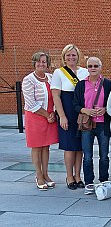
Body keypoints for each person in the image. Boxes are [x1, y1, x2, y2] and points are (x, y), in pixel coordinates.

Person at [73, 57, 111, 195]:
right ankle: (89, 182)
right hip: (87, 124)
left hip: (103, 124)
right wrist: (85, 110)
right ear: (87, 68)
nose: (93, 68)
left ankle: (103, 180)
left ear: (101, 67)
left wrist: (105, 109)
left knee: (104, 155)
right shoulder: (81, 85)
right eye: (90, 66)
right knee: (88, 155)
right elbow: (75, 105)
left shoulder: (107, 84)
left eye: (96, 65)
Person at [51, 44, 89, 190]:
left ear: (78, 56)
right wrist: (62, 116)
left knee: (79, 146)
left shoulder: (84, 72)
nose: (71, 57)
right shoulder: (59, 73)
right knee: (69, 146)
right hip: (67, 111)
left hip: (81, 113)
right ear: (64, 57)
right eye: (68, 55)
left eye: (74, 55)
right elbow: (56, 96)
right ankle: (69, 176)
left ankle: (78, 176)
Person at [22, 52, 58, 190]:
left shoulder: (50, 77)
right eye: (39, 62)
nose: (41, 64)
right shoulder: (28, 80)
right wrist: (46, 115)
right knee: (37, 146)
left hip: (49, 116)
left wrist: (53, 113)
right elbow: (30, 103)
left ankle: (46, 174)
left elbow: (55, 96)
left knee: (46, 146)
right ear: (34, 63)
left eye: (44, 62)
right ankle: (38, 175)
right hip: (36, 116)